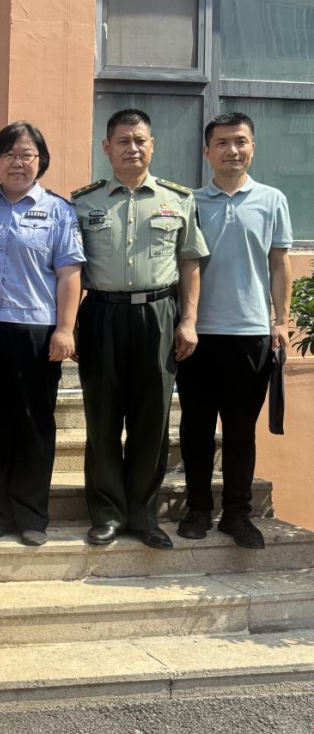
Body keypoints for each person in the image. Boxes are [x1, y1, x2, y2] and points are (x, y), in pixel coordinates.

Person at [72, 108, 209, 549]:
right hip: (102, 314)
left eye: (140, 140)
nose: (132, 148)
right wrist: (68, 325)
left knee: (152, 420)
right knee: (103, 417)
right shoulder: (83, 203)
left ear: (152, 145)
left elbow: (189, 264)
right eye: (122, 141)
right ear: (106, 147)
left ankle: (144, 515)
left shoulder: (178, 200)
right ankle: (107, 514)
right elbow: (68, 269)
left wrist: (188, 321)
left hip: (158, 315)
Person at [176, 113, 293, 549]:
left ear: (253, 148)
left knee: (241, 430)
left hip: (250, 334)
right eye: (222, 143)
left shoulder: (272, 200)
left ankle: (238, 514)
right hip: (198, 335)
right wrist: (184, 322)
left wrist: (280, 321)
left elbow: (279, 263)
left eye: (240, 141)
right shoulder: (189, 202)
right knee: (196, 427)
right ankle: (198, 509)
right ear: (207, 152)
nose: (233, 150)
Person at [0, 122, 84, 547]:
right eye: (8, 154)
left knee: (34, 424)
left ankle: (32, 514)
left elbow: (69, 274)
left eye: (26, 154)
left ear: (40, 160)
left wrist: (65, 329)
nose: (17, 163)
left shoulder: (59, 211)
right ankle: (0, 511)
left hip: (37, 331)